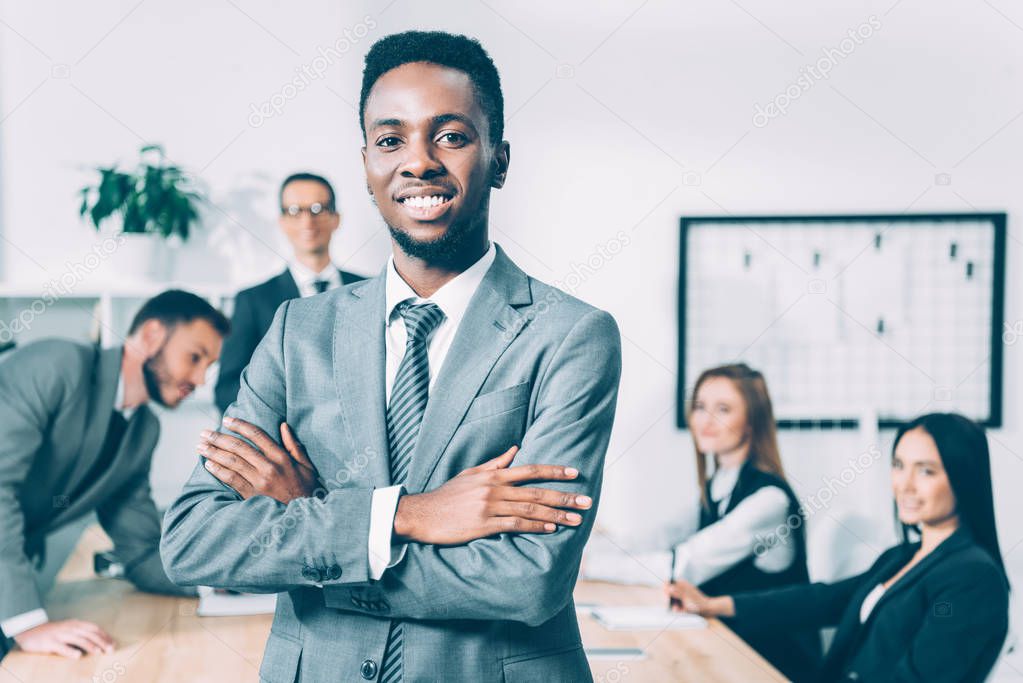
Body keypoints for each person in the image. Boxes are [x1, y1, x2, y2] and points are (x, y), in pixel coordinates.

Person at [161, 31, 622, 682]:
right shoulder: (298, 329)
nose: (418, 162)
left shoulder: (569, 335)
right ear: (367, 165)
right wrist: (406, 516)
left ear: (499, 158)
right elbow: (194, 540)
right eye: (390, 139)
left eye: (451, 135)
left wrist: (315, 521)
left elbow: (528, 579)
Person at [666, 412, 1010, 683]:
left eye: (926, 471)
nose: (904, 484)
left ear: (963, 478)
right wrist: (715, 604)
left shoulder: (973, 577)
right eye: (899, 465)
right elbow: (825, 600)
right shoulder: (903, 556)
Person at [0, 290, 229, 660]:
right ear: (152, 335)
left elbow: (140, 550)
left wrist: (222, 584)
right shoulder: (57, 365)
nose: (201, 378)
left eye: (209, 365)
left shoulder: (143, 431)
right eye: (195, 357)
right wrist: (27, 623)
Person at [584, 363, 819, 678]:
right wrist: (588, 547)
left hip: (770, 661)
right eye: (699, 407)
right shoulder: (718, 485)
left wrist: (587, 566)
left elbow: (680, 566)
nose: (705, 420)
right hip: (729, 646)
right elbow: (659, 537)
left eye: (723, 409)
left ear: (752, 421)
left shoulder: (769, 501)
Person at [214, 172, 365, 414]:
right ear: (282, 221)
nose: (307, 222)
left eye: (318, 209)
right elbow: (226, 389)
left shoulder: (370, 290)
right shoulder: (253, 301)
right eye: (295, 211)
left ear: (336, 219)